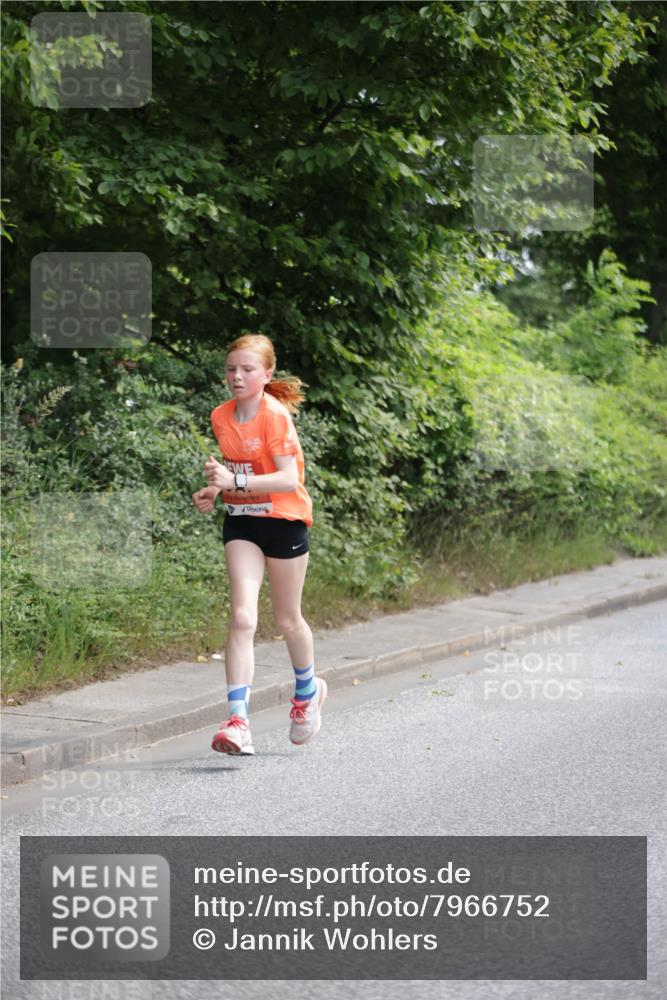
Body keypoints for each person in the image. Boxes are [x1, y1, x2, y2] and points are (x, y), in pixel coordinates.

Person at [191, 333, 327, 756]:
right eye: (231, 368)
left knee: (288, 620)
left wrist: (238, 482)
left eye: (247, 369)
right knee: (242, 617)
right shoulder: (221, 416)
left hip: (285, 522)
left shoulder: (275, 416)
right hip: (243, 522)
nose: (237, 376)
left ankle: (307, 693)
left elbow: (289, 479)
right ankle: (238, 721)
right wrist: (217, 490)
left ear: (266, 375)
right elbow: (237, 468)